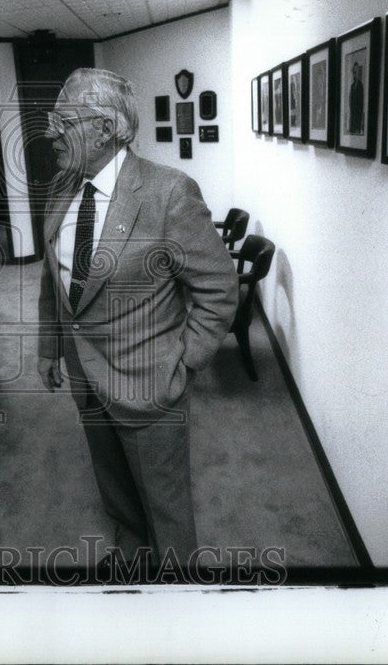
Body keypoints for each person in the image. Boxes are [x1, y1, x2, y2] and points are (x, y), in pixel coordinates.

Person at [37, 68, 238, 575]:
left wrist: (181, 364)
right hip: (86, 379)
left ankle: (176, 592)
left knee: (167, 511)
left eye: (63, 120)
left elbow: (218, 288)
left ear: (104, 129)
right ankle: (131, 559)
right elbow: (54, 277)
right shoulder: (62, 187)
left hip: (150, 387)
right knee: (116, 489)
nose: (49, 132)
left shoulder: (169, 194)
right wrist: (48, 347)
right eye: (51, 119)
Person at [348, 59, 365, 135]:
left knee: (357, 132)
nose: (355, 74)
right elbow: (350, 101)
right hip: (353, 114)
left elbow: (362, 103)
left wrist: (361, 119)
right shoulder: (352, 86)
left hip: (358, 114)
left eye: (356, 71)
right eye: (354, 72)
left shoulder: (361, 85)